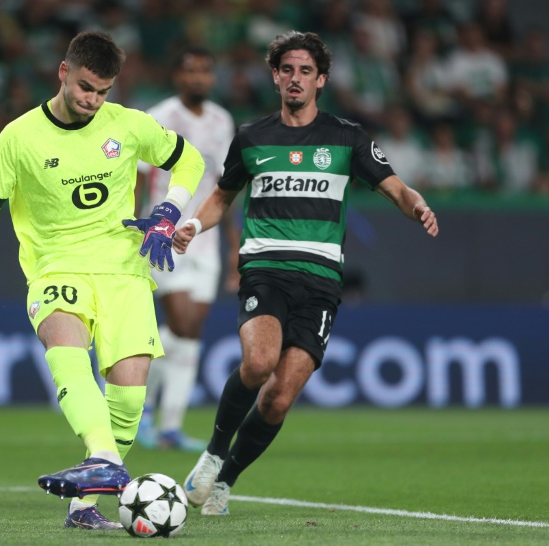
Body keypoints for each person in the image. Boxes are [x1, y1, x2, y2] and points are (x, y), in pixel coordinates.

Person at [0, 31, 204, 531]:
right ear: (63, 72)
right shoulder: (19, 137)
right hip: (56, 265)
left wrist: (168, 209)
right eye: (84, 87)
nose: (92, 100)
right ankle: (102, 456)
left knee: (128, 398)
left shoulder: (127, 124)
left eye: (102, 92)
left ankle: (84, 507)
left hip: (124, 268)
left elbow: (189, 160)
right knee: (67, 349)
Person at [175, 30, 439, 516]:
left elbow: (396, 188)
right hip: (265, 267)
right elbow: (221, 197)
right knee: (258, 364)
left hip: (321, 282)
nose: (295, 79)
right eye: (287, 70)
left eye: (305, 71)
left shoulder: (347, 138)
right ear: (275, 77)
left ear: (321, 80)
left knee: (278, 399)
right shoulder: (252, 138)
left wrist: (417, 205)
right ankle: (212, 455)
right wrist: (193, 223)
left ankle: (225, 482)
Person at [135, 46, 237, 452]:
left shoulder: (221, 120)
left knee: (190, 333)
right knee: (179, 323)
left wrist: (233, 248)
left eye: (205, 71)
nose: (198, 78)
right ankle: (144, 408)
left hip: (206, 238)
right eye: (190, 70)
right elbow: (140, 178)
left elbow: (224, 188)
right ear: (177, 76)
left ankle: (169, 426)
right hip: (165, 235)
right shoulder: (159, 118)